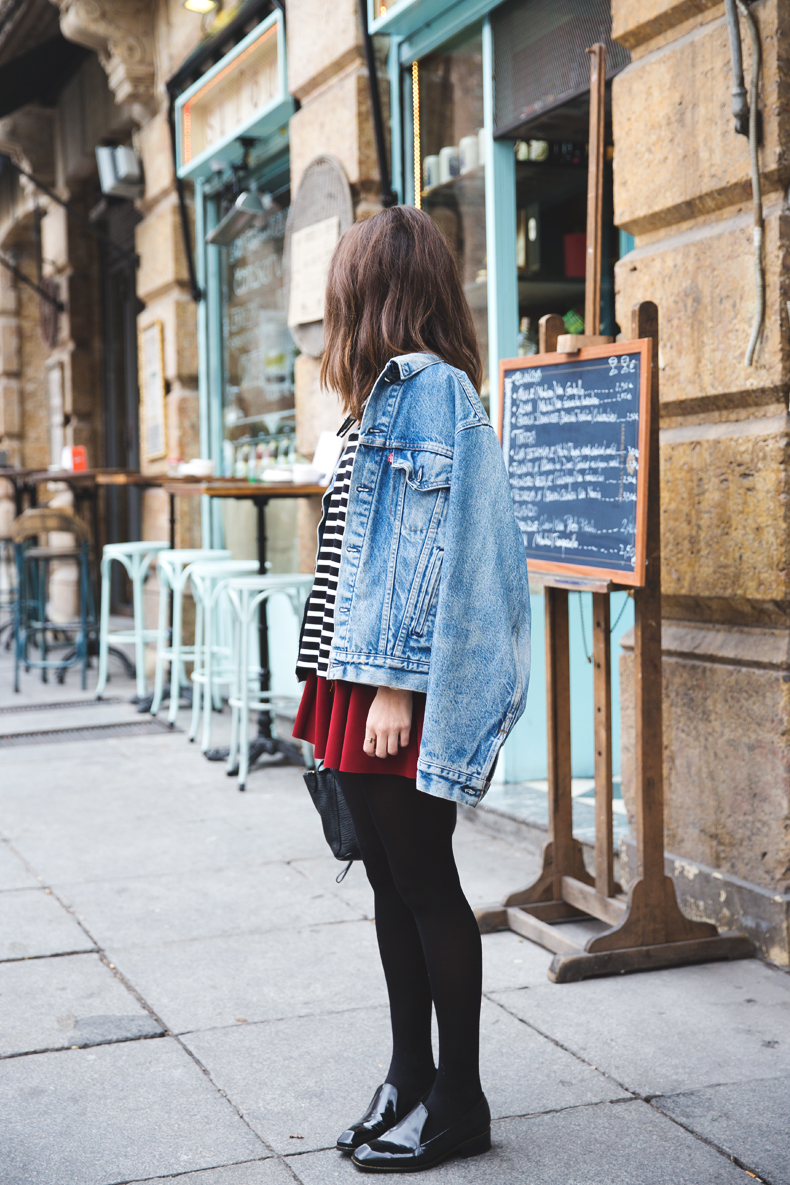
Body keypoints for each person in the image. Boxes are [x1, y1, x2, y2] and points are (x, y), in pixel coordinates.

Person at [292, 205, 530, 1173]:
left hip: (392, 685)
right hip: (355, 678)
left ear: (374, 292)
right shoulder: (377, 403)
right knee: (389, 885)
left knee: (427, 886)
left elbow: (434, 555)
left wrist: (390, 688)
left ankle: (459, 1101)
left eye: (344, 285)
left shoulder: (429, 392)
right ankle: (409, 1074)